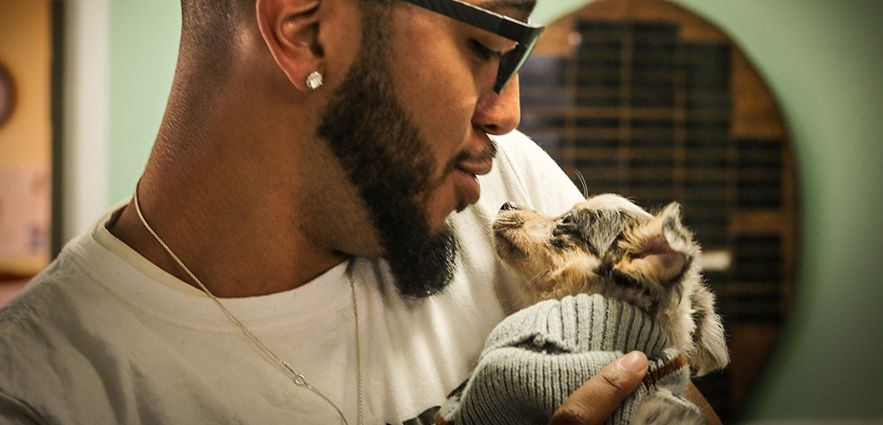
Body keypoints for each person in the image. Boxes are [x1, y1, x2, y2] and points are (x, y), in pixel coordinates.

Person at [0, 0, 720, 423]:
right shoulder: (44, 395)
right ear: (305, 27)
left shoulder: (503, 182)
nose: (508, 112)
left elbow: (678, 397)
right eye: (485, 46)